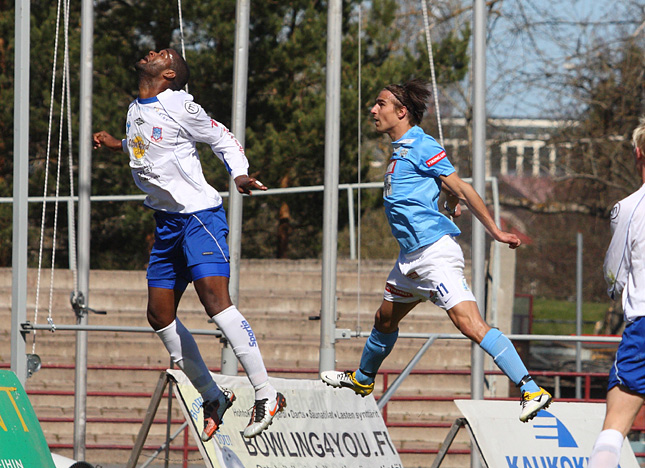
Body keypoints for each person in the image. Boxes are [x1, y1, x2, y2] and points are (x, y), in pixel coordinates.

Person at [321, 78, 552, 422]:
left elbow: (462, 185)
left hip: (434, 254)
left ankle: (531, 387)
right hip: (409, 259)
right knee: (384, 319)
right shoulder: (401, 149)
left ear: (402, 112)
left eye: (380, 104)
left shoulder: (421, 144)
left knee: (470, 324)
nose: (373, 110)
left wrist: (496, 231)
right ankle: (364, 379)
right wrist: (449, 199)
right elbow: (445, 185)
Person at [92, 49, 286, 440]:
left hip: (199, 217)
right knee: (158, 315)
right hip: (166, 224)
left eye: (162, 54)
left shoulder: (181, 104)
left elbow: (221, 137)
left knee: (215, 301)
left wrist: (240, 174)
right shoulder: (134, 108)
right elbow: (142, 148)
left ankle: (267, 393)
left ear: (168, 73)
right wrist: (117, 145)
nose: (151, 51)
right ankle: (213, 396)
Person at [588, 119, 645, 468]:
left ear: (638, 154)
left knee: (613, 430)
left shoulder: (629, 208)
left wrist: (614, 290)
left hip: (644, 326)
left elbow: (614, 276)